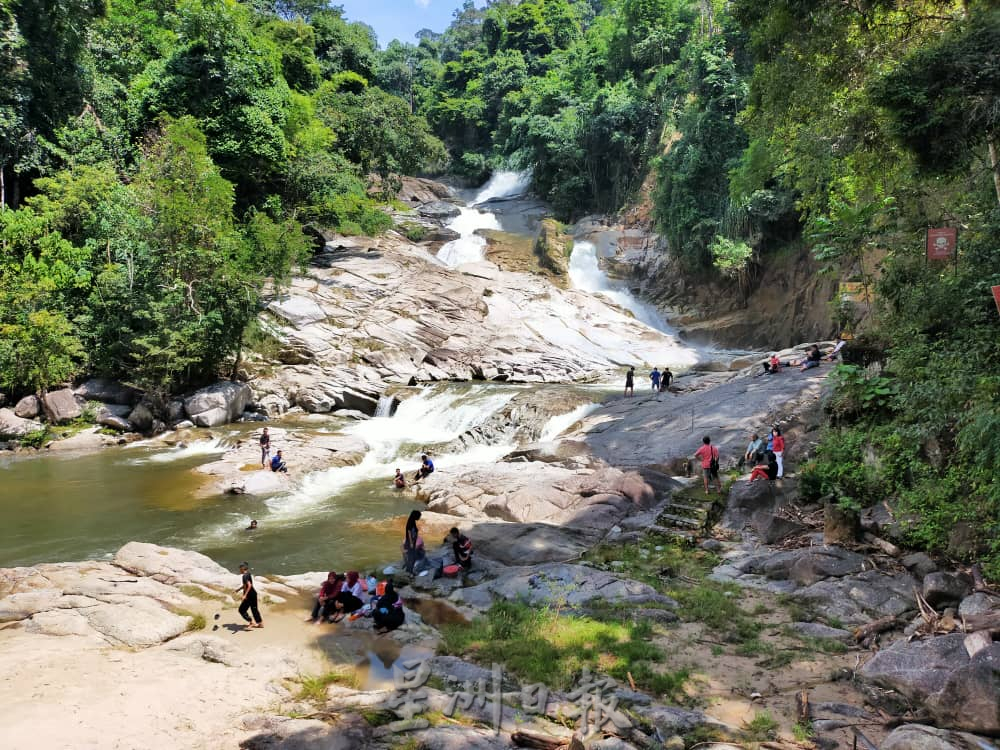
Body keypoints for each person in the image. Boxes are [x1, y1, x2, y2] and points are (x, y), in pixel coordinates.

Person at [237, 562, 263, 629]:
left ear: (243, 568)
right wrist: (238, 589)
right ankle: (260, 624)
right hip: (253, 594)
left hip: (249, 596)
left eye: (240, 568)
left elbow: (249, 585)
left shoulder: (244, 576)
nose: (239, 570)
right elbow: (246, 584)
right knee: (254, 609)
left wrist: (245, 595)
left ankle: (251, 622)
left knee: (241, 610)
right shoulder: (248, 574)